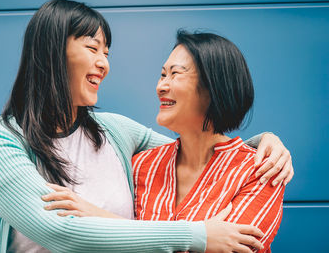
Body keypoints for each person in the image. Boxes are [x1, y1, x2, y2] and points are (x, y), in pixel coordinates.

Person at [0, 0, 292, 253]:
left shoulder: (116, 132)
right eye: (92, 48)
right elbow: (60, 232)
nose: (104, 63)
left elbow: (200, 147)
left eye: (106, 52)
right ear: (51, 51)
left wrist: (265, 141)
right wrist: (199, 235)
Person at [47, 31, 286, 252]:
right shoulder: (142, 166)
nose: (161, 86)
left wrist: (98, 216)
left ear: (214, 87)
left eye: (175, 74)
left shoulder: (261, 171)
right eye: (162, 75)